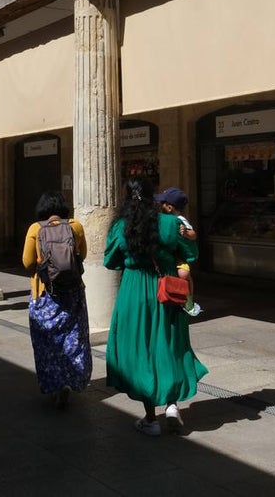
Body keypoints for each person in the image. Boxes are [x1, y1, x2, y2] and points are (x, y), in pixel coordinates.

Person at [105, 177, 208, 436]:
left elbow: (110, 260)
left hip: (133, 291)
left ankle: (150, 419)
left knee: (140, 349)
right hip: (165, 289)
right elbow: (192, 253)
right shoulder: (170, 223)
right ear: (154, 197)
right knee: (169, 344)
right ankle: (172, 405)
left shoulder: (120, 226)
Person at [21, 190, 92, 409]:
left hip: (44, 294)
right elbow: (84, 255)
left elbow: (26, 261)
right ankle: (71, 380)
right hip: (72, 292)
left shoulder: (35, 228)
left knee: (47, 343)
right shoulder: (76, 226)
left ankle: (54, 385)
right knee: (74, 339)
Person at [154, 186, 202, 317]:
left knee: (184, 275)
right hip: (172, 254)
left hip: (180, 255)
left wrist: (186, 233)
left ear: (169, 207)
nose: (159, 205)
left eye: (162, 203)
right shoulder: (163, 218)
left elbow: (194, 234)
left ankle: (189, 300)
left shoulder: (180, 220)